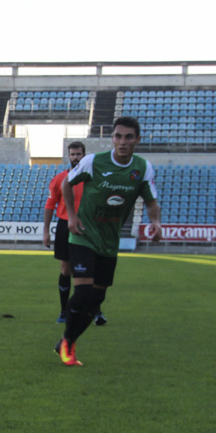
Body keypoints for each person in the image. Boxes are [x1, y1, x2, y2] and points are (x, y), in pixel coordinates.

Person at [55, 116, 162, 366]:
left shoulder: (143, 168)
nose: (122, 142)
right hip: (82, 236)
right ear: (112, 138)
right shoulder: (94, 162)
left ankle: (66, 341)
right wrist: (71, 215)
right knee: (82, 293)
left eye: (128, 137)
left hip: (109, 242)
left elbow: (151, 201)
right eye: (117, 136)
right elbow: (66, 184)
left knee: (97, 298)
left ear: (137, 139)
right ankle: (69, 343)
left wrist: (156, 222)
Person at [43, 141, 106, 325]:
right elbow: (50, 205)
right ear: (68, 156)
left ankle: (96, 311)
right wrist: (45, 232)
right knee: (66, 269)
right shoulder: (60, 178)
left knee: (91, 270)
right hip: (65, 225)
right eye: (72, 154)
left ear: (84, 156)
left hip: (89, 226)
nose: (75, 158)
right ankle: (64, 312)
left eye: (79, 154)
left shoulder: (93, 179)